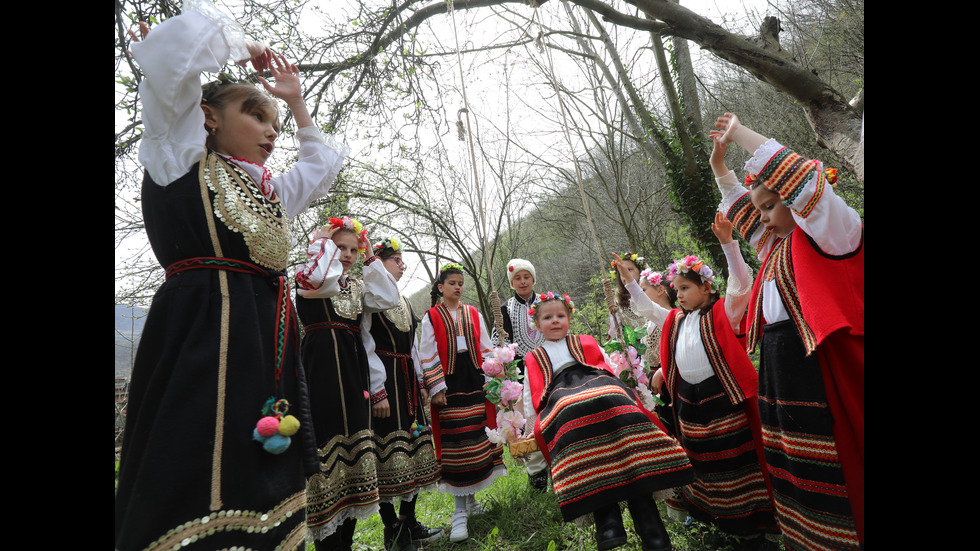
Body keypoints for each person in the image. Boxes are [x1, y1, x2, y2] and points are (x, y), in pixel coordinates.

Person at [115, 1, 349, 549]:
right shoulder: (177, 153)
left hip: (262, 338)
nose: (271, 132)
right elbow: (177, 54)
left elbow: (320, 169)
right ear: (209, 116)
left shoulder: (266, 191)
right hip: (203, 330)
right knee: (197, 459)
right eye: (255, 114)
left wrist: (295, 102)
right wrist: (247, 50)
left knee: (258, 461)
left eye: (274, 123)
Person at [710, 113, 864, 550]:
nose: (762, 218)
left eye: (771, 206)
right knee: (802, 472)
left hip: (824, 374)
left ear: (795, 200)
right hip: (784, 379)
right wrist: (720, 169)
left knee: (840, 466)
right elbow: (744, 212)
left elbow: (800, 181)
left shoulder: (833, 232)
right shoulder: (776, 247)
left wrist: (739, 135)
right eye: (759, 210)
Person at [614, 233, 779, 549]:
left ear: (707, 287)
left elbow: (741, 285)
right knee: (703, 464)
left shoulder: (722, 314)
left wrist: (729, 244)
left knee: (733, 464)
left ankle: (751, 527)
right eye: (676, 290)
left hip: (722, 402)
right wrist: (629, 282)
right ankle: (718, 520)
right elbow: (646, 308)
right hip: (689, 404)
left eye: (685, 288)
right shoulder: (675, 319)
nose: (679, 296)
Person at [522, 292, 697, 551]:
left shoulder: (586, 341)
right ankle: (607, 517)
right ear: (537, 325)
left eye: (560, 315)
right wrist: (528, 427)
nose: (555, 321)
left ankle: (647, 518)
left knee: (612, 397)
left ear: (569, 318)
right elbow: (530, 394)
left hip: (601, 386)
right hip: (561, 395)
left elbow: (610, 369)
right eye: (548, 318)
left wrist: (627, 389)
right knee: (570, 412)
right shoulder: (534, 357)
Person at [294, 217, 400, 550]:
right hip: (321, 371)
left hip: (353, 375)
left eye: (353, 249)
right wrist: (323, 240)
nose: (348, 254)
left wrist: (370, 258)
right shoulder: (311, 277)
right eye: (341, 247)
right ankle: (329, 544)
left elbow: (387, 297)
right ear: (325, 245)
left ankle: (347, 542)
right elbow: (318, 278)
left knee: (355, 457)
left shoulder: (355, 287)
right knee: (328, 450)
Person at [418, 263, 507, 542]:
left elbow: (484, 346)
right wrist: (436, 387)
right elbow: (427, 353)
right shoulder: (431, 317)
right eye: (452, 283)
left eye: (460, 283)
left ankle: (470, 502)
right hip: (449, 384)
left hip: (474, 379)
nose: (457, 287)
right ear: (440, 288)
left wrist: (494, 372)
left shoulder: (472, 312)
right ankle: (459, 512)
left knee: (477, 436)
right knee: (457, 440)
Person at [368, 237, 443, 551]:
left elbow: (412, 345)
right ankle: (392, 531)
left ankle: (409, 522)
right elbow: (365, 344)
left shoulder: (405, 300)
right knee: (387, 455)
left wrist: (422, 378)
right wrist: (376, 389)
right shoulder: (370, 298)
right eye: (397, 259)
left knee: (413, 450)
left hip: (407, 384)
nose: (404, 265)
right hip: (386, 382)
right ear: (380, 261)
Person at [490, 258, 548, 491]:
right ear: (512, 283)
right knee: (528, 422)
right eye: (517, 278)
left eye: (526, 277)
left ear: (533, 279)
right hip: (522, 374)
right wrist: (507, 374)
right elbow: (499, 343)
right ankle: (537, 477)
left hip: (548, 367)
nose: (523, 282)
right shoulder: (505, 309)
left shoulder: (546, 303)